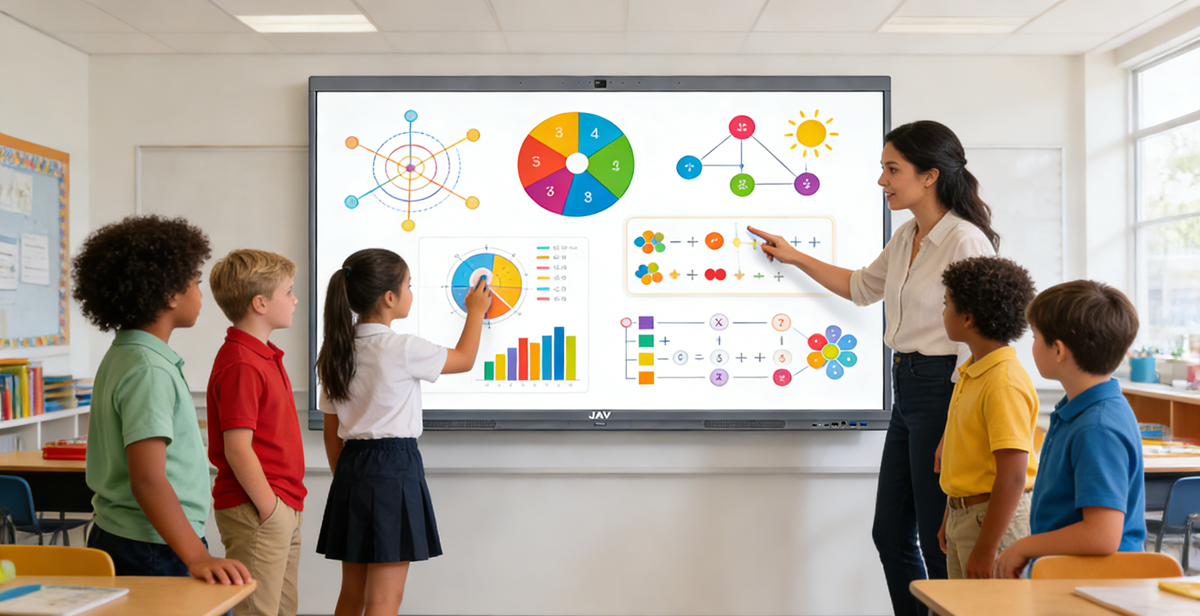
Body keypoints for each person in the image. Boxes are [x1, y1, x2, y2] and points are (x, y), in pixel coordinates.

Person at [749, 120, 999, 616]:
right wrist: (794, 256)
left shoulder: (964, 241)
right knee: (890, 533)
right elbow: (862, 288)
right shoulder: (910, 233)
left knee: (937, 537)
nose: (882, 181)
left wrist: (956, 423)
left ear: (930, 176)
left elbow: (983, 342)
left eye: (892, 170)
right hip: (905, 385)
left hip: (941, 390)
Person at [73, 215, 250, 585]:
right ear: (169, 294)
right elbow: (148, 478)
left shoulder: (126, 354)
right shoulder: (148, 369)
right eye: (197, 283)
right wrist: (198, 556)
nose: (202, 295)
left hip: (132, 536)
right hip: (152, 544)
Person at [315, 248, 491, 616]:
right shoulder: (402, 347)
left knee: (352, 596)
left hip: (352, 470)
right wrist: (475, 312)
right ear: (390, 298)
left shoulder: (336, 350)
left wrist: (346, 477)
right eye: (408, 285)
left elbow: (332, 430)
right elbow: (465, 358)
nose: (412, 292)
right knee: (384, 601)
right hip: (393, 469)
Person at [993, 281, 1145, 579]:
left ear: (1058, 350)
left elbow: (1102, 535)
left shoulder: (1097, 427)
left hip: (1095, 586)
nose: (1032, 344)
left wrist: (1025, 546)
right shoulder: (1083, 408)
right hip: (1069, 576)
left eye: (1035, 337)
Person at [207, 249, 306, 616]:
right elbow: (237, 448)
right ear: (260, 303)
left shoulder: (262, 354)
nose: (295, 300)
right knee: (257, 612)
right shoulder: (241, 362)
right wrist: (270, 510)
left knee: (281, 610)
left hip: (281, 505)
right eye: (289, 292)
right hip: (259, 508)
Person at [936, 256, 1038, 579]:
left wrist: (985, 548)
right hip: (965, 514)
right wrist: (950, 514)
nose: (942, 313)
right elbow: (968, 462)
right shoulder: (973, 371)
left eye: (946, 304)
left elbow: (1012, 477)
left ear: (967, 318)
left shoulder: (1002, 382)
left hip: (992, 523)